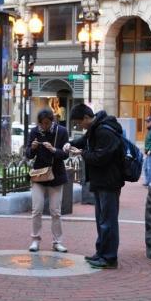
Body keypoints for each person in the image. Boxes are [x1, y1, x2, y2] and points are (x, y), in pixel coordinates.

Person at [64, 104, 124, 269]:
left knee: (108, 221)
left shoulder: (104, 131)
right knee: (101, 220)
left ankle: (110, 258)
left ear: (86, 118)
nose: (79, 126)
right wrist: (70, 144)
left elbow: (101, 157)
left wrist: (81, 153)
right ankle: (101, 253)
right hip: (100, 181)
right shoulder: (95, 129)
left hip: (109, 182)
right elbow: (83, 141)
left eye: (78, 123)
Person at [25, 109, 70, 253]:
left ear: (52, 121)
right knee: (36, 210)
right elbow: (28, 155)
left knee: (55, 211)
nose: (43, 126)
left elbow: (65, 155)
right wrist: (32, 148)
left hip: (56, 175)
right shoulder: (34, 132)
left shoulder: (61, 131)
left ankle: (57, 242)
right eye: (41, 123)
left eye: (46, 123)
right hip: (39, 175)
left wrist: (54, 150)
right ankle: (35, 240)